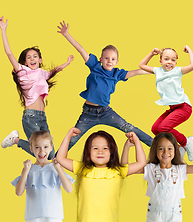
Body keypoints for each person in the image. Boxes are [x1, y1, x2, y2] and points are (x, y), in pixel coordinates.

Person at [57, 21, 153, 150]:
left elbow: (138, 72)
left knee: (129, 128)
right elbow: (81, 50)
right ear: (101, 59)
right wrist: (66, 34)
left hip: (106, 112)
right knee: (72, 139)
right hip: (88, 113)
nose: (109, 61)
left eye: (113, 59)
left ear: (117, 62)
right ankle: (53, 162)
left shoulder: (117, 74)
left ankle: (155, 144)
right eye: (106, 58)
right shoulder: (95, 67)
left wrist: (158, 71)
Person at [0, 16, 74, 159]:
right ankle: (15, 140)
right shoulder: (22, 72)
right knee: (41, 153)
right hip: (30, 117)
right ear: (25, 62)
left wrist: (67, 63)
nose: (32, 59)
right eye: (29, 57)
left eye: (35, 56)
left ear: (40, 60)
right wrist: (3, 30)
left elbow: (54, 71)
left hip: (42, 117)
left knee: (50, 154)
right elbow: (9, 53)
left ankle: (27, 143)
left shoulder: (41, 73)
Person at [55, 127, 146, 222]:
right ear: (88, 151)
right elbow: (60, 158)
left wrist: (136, 141)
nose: (100, 151)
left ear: (111, 152)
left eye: (105, 148)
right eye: (95, 148)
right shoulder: (82, 168)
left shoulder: (117, 171)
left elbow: (141, 162)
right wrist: (68, 135)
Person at [125, 132, 193, 222]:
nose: (166, 152)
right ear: (155, 151)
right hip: (155, 216)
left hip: (173, 216)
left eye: (170, 148)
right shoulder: (150, 169)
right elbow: (125, 169)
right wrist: (128, 147)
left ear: (175, 150)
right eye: (161, 149)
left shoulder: (180, 170)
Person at [11, 130, 74, 222]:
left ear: (51, 147)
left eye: (45, 147)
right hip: (33, 217)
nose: (41, 151)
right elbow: (18, 192)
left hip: (53, 217)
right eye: (37, 147)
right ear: (31, 148)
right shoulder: (28, 169)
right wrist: (25, 171)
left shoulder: (56, 168)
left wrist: (58, 168)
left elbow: (69, 189)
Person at [139, 47, 193, 161]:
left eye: (173, 60)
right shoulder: (158, 71)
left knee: (164, 128)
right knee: (156, 129)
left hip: (184, 107)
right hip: (173, 108)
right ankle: (179, 147)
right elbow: (141, 65)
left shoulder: (178, 71)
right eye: (166, 59)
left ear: (176, 62)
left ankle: (186, 142)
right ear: (160, 61)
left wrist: (189, 50)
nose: (170, 62)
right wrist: (151, 54)